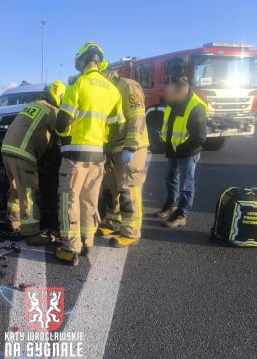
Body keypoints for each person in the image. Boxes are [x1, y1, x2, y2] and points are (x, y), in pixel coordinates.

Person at [54, 42, 125, 265]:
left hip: (75, 154)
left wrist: (63, 132)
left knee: (69, 200)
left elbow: (63, 122)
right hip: (98, 156)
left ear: (83, 62)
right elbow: (118, 127)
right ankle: (87, 243)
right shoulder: (113, 90)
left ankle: (69, 249)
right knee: (89, 200)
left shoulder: (78, 85)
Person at [1, 81, 66, 245]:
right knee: (30, 192)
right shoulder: (53, 111)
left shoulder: (33, 105)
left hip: (6, 150)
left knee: (16, 188)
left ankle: (14, 222)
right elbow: (61, 135)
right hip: (23, 153)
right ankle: (31, 233)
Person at [99, 71, 149, 247]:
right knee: (110, 187)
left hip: (131, 148)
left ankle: (131, 232)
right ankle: (112, 223)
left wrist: (131, 146)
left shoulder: (127, 86)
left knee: (128, 189)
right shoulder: (108, 90)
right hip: (114, 148)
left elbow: (136, 116)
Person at [154, 73, 207, 228]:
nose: (167, 96)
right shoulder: (173, 103)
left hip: (188, 152)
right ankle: (171, 205)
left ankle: (182, 214)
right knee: (171, 178)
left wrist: (181, 149)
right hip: (174, 149)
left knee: (186, 184)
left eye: (170, 93)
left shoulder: (196, 108)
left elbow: (199, 138)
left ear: (182, 91)